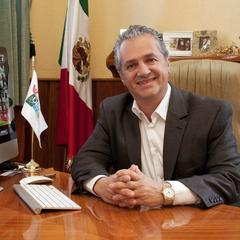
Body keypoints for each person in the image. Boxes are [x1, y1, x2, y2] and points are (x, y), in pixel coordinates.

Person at [71, 25, 240, 209]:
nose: (143, 71)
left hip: (194, 226)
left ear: (167, 63)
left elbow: (229, 178)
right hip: (135, 226)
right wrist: (104, 186)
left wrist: (165, 192)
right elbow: (85, 161)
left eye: (150, 59)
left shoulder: (212, 113)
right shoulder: (113, 110)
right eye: (131, 65)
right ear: (121, 76)